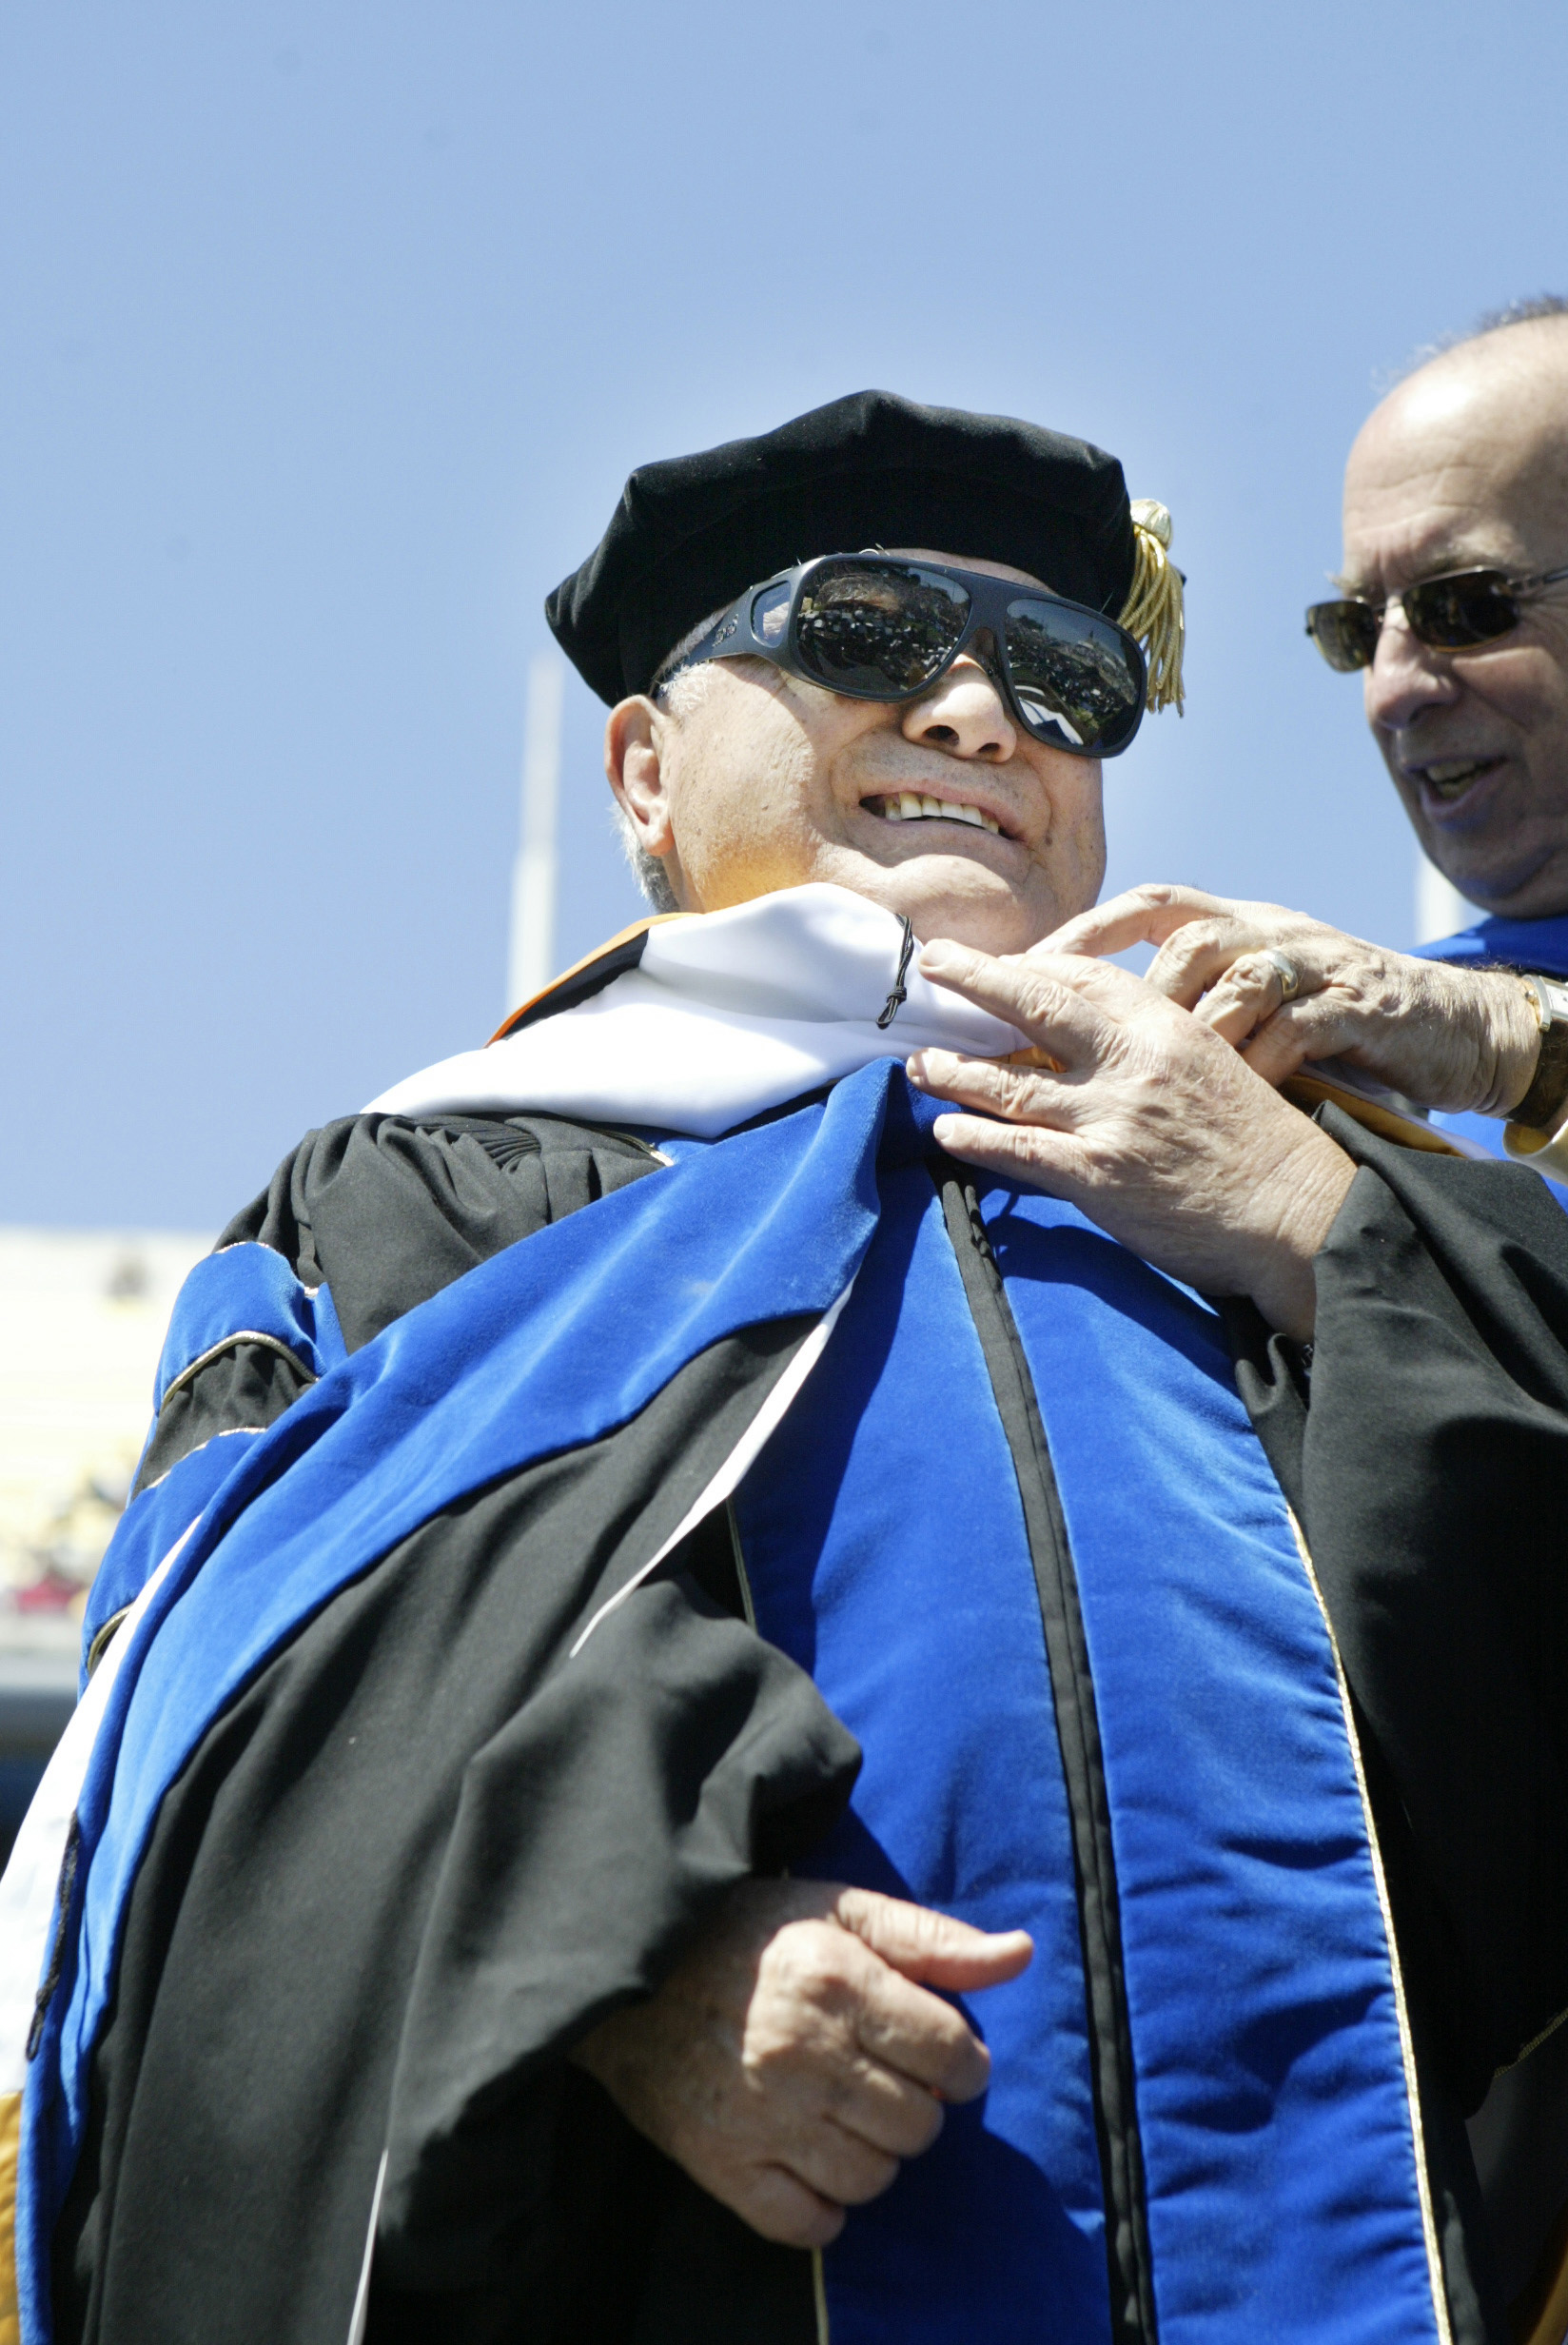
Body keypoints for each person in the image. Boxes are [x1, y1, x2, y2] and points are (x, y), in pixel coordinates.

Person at [7, 391, 1568, 2345]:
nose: (980, 713)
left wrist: (1322, 1230)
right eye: (860, 632)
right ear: (645, 771)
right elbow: (224, 1709)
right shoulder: (438, 1190)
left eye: (1066, 677)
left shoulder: (1306, 1184)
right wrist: (612, 1937)